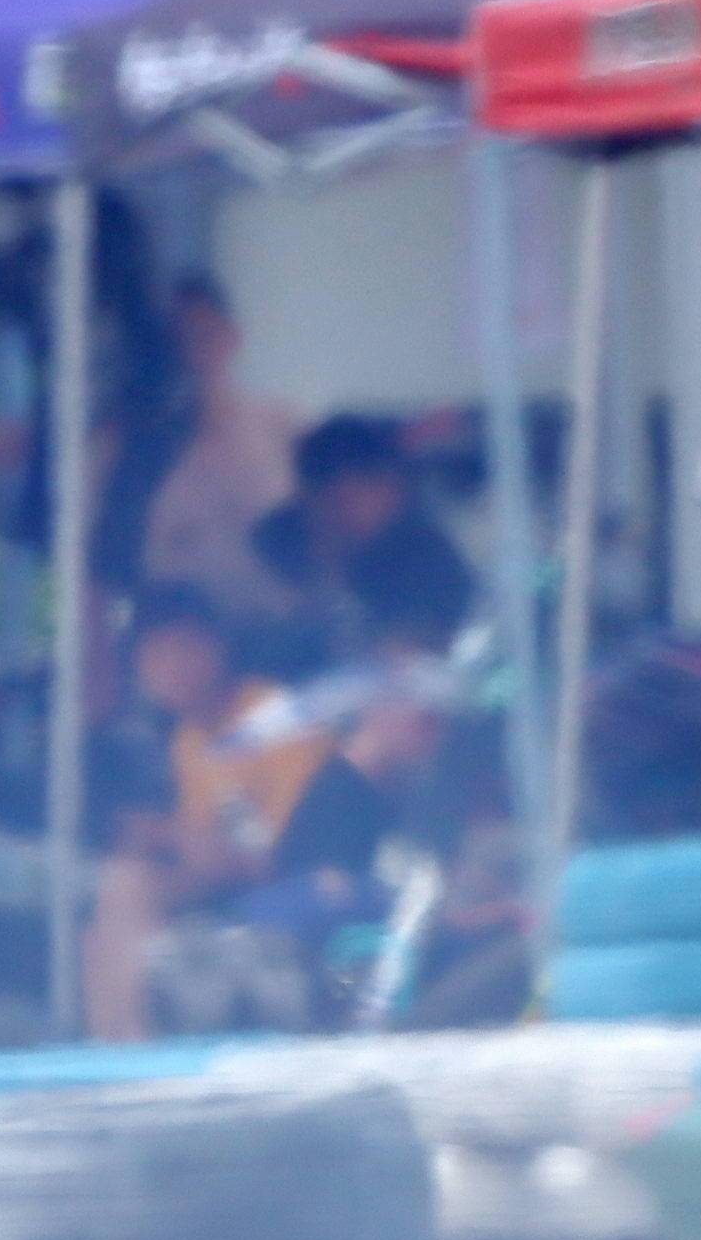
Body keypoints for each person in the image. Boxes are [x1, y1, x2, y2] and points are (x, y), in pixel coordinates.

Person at [79, 590, 334, 1041]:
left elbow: (287, 846)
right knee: (116, 890)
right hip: (220, 880)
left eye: (182, 650)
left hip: (288, 877)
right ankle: (115, 1041)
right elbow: (201, 838)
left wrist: (174, 835)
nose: (171, 670)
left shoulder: (274, 715)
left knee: (129, 887)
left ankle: (132, 1041)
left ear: (217, 648)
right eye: (155, 657)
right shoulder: (188, 738)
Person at [245, 412, 475, 674]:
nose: (347, 510)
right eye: (333, 498)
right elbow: (263, 633)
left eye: (360, 494)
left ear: (393, 486)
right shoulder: (276, 547)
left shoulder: (431, 560)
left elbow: (430, 647)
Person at [133, 276, 304, 617]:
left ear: (231, 336)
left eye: (205, 335)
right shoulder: (138, 452)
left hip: (283, 630)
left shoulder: (283, 429)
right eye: (179, 341)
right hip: (186, 637)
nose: (193, 353)